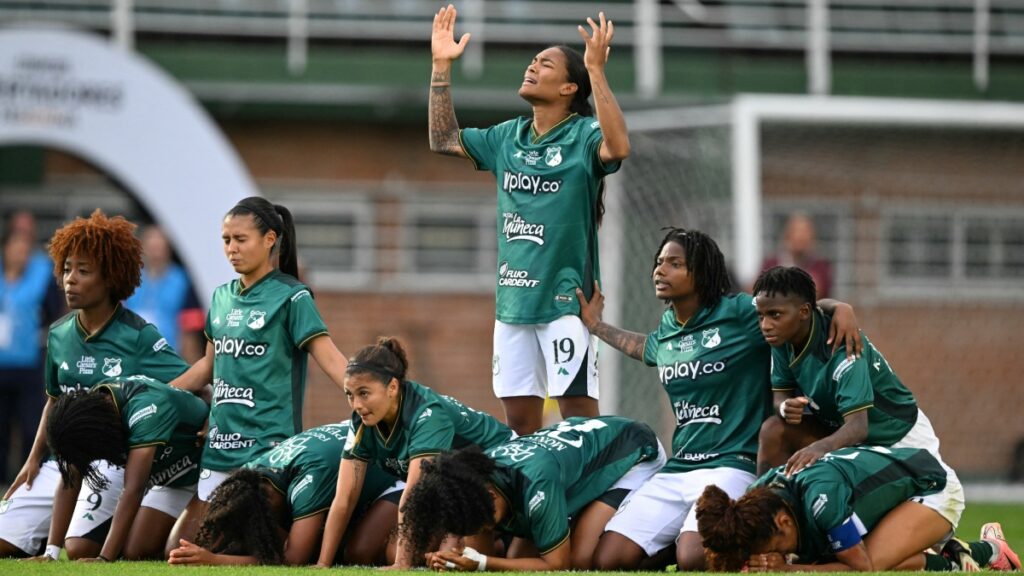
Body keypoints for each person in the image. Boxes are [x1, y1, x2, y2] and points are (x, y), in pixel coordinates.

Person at [576, 227, 862, 571]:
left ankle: (696, 545)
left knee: (694, 557)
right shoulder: (668, 328)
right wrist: (596, 326)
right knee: (609, 559)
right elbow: (646, 347)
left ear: (701, 272)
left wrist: (839, 307)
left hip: (733, 463)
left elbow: (790, 309)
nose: (660, 270)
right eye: (659, 262)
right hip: (681, 466)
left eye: (674, 264)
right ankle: (680, 538)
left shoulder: (740, 312)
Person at [429, 4, 630, 435]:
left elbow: (618, 147)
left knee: (580, 425)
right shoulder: (507, 136)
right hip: (513, 304)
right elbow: (442, 139)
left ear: (568, 88)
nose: (532, 66)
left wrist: (596, 70)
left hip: (565, 303)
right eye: (533, 60)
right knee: (521, 426)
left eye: (545, 64)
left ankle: (597, 482)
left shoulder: (582, 135)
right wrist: (441, 67)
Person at [0, 209, 189, 560]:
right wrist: (33, 458)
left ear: (111, 278)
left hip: (112, 463)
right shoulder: (59, 335)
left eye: (83, 271)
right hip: (64, 462)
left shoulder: (139, 336)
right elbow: (54, 401)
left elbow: (183, 385)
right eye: (67, 269)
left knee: (79, 548)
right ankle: (42, 540)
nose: (70, 280)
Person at [169, 197, 353, 538]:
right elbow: (208, 366)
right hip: (218, 450)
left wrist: (366, 398)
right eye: (226, 240)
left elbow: (330, 358)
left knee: (233, 544)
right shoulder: (221, 297)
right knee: (177, 547)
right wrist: (160, 394)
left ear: (269, 239)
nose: (232, 249)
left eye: (241, 239)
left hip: (268, 451)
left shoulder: (293, 296)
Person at [751, 265, 963, 511]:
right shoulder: (784, 338)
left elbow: (858, 427)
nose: (765, 325)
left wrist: (819, 447)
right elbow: (781, 395)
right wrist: (784, 407)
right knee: (773, 431)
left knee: (837, 498)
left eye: (774, 315)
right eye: (761, 316)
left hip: (896, 441)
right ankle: (763, 515)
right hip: (847, 437)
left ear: (804, 312)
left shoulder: (843, 348)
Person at [316, 337, 515, 568]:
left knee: (440, 560)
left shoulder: (427, 414)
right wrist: (322, 563)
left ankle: (500, 542)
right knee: (359, 552)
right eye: (349, 395)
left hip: (494, 472)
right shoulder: (362, 420)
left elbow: (413, 491)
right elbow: (345, 497)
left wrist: (401, 565)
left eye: (364, 393)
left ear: (392, 387)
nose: (356, 404)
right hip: (440, 485)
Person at [695, 445, 1019, 572]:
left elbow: (860, 567)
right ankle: (953, 551)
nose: (777, 555)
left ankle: (986, 550)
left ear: (783, 521)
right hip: (889, 492)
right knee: (829, 557)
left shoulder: (821, 500)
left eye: (774, 548)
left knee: (873, 562)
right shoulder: (758, 497)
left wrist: (790, 569)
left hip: (932, 486)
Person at [405, 415, 664, 572]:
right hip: (577, 457)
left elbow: (557, 565)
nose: (483, 530)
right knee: (518, 560)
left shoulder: (536, 483)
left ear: (490, 497)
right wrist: (454, 560)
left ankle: (666, 547)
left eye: (483, 524)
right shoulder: (474, 486)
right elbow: (478, 557)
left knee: (582, 559)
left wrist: (483, 563)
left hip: (631, 452)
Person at [167, 421, 403, 566]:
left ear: (266, 510)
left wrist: (215, 560)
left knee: (358, 553)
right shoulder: (249, 477)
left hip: (396, 471)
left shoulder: (309, 480)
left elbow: (295, 558)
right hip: (354, 454)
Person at [44, 375, 207, 561]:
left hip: (205, 474)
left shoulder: (146, 410)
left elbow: (134, 488)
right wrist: (51, 552)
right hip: (171, 482)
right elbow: (70, 475)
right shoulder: (93, 409)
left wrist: (104, 558)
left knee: (175, 547)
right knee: (135, 551)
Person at [0, 223, 52, 483]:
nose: (20, 253)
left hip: (29, 362)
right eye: (15, 247)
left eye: (25, 248)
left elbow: (53, 313)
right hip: (1, 364)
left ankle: (29, 480)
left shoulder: (40, 278)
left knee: (31, 425)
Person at [126, 225, 203, 360]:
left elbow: (190, 332)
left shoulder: (182, 280)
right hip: (133, 356)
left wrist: (190, 368)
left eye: (160, 241)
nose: (155, 247)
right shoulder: (129, 278)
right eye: (151, 241)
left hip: (168, 358)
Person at [761, 212, 833, 300]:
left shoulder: (821, 266)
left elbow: (815, 291)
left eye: (805, 232)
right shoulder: (771, 263)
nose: (801, 236)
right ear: (787, 235)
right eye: (797, 232)